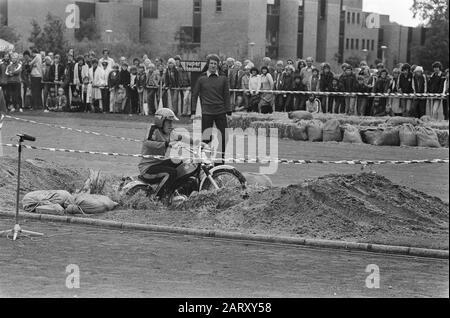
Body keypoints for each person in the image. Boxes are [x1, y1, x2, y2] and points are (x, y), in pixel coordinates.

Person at [192, 54, 231, 165]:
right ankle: (205, 161)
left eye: (215, 63)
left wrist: (228, 111)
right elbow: (194, 95)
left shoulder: (223, 79)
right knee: (206, 139)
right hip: (207, 112)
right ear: (208, 64)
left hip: (220, 111)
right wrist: (193, 111)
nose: (213, 65)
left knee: (224, 137)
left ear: (218, 65)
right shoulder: (201, 79)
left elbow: (226, 95)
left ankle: (219, 160)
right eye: (211, 63)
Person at [137, 108, 182, 200]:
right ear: (161, 121)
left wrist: (198, 143)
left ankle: (174, 191)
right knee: (171, 173)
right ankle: (158, 198)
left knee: (180, 162)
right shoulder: (153, 129)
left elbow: (182, 137)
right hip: (148, 168)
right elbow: (147, 143)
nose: (171, 124)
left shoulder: (169, 131)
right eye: (169, 122)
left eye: (171, 122)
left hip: (158, 164)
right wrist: (166, 144)